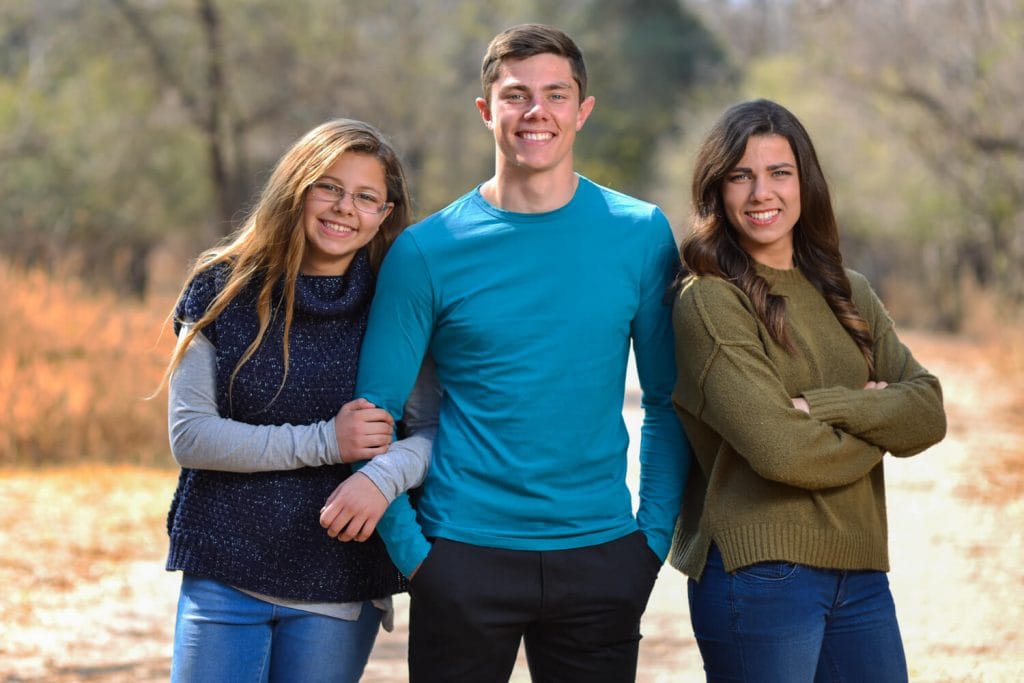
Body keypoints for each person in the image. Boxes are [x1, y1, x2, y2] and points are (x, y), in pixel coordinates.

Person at [345, 22, 691, 683]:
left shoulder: (640, 234)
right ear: (486, 111)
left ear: (582, 110)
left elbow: (668, 403)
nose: (536, 112)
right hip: (461, 557)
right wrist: (416, 556)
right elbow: (372, 416)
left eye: (556, 95)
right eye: (516, 95)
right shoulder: (425, 251)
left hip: (600, 555)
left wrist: (648, 544)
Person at [669, 99, 947, 682]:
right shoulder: (711, 300)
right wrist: (877, 422)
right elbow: (780, 449)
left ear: (805, 183)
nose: (760, 193)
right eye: (740, 176)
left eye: (779, 173)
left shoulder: (849, 291)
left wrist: (827, 408)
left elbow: (927, 412)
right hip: (762, 574)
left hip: (862, 568)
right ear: (717, 191)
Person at [161, 118, 438, 682]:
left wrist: (382, 476)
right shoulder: (221, 288)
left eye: (366, 197)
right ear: (297, 188)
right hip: (224, 571)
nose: (343, 208)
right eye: (328, 187)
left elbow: (433, 431)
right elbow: (190, 436)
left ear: (385, 215)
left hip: (339, 579)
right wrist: (326, 441)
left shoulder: (401, 303)